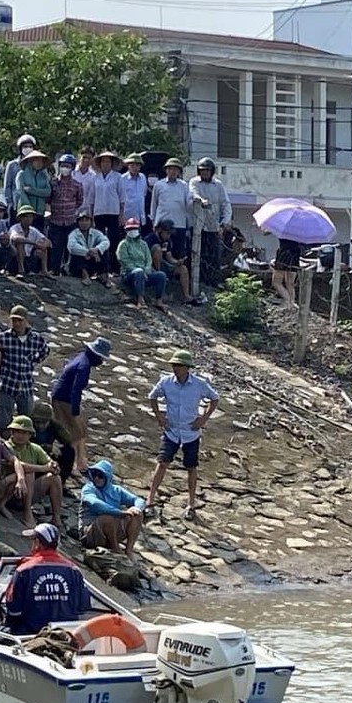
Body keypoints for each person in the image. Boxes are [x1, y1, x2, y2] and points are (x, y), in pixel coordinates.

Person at [145, 350, 220, 519]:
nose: (175, 368)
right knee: (162, 462)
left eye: (178, 365)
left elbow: (215, 398)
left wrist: (204, 418)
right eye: (174, 365)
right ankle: (149, 500)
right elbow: (152, 396)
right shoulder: (165, 382)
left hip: (190, 432)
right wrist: (159, 416)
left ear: (187, 367)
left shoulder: (199, 384)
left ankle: (191, 505)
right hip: (171, 430)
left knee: (191, 467)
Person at [2, 523, 89, 635]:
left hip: (30, 637)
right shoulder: (74, 570)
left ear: (37, 543)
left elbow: (13, 610)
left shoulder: (24, 570)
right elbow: (83, 606)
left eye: (33, 541)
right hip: (66, 638)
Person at [50, 337, 111, 474]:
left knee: (82, 430)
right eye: (101, 358)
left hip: (68, 399)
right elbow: (75, 390)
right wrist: (75, 411)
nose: (101, 361)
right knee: (73, 434)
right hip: (63, 399)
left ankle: (80, 461)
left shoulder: (83, 359)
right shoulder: (83, 366)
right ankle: (67, 463)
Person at [0, 305, 49, 429]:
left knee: (26, 421)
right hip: (8, 384)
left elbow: (45, 351)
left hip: (26, 385)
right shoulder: (4, 338)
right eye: (14, 320)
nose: (17, 323)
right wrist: (1, 369)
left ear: (26, 320)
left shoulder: (36, 338)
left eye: (20, 320)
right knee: (4, 421)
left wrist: (33, 361)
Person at [4, 415, 63, 526]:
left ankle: (56, 517)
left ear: (30, 435)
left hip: (28, 492)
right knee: (29, 474)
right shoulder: (6, 447)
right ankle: (27, 513)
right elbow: (19, 465)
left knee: (54, 478)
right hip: (9, 492)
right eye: (18, 431)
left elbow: (49, 462)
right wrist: (44, 468)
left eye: (24, 433)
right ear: (12, 432)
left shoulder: (34, 448)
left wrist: (54, 466)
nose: (20, 436)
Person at [80, 459, 145, 560]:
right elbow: (95, 504)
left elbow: (138, 500)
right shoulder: (88, 489)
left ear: (107, 477)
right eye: (94, 474)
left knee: (137, 515)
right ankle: (115, 548)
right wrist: (119, 512)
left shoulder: (116, 490)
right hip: (90, 533)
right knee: (107, 517)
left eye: (100, 475)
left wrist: (136, 508)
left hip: (112, 531)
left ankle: (129, 550)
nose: (96, 478)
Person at [189, 158, 231, 292]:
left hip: (214, 226)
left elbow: (225, 204)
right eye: (202, 171)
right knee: (198, 254)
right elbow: (193, 193)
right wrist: (201, 200)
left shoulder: (218, 185)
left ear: (212, 172)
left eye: (207, 171)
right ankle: (199, 281)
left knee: (215, 255)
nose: (205, 173)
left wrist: (224, 222)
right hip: (198, 226)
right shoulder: (194, 182)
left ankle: (214, 282)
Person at [118, 218, 167, 308]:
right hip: (129, 274)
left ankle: (158, 300)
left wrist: (146, 270)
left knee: (161, 275)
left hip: (145, 273)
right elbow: (124, 261)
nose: (132, 231)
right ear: (126, 230)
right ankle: (140, 299)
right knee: (138, 272)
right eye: (130, 229)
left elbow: (148, 260)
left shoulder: (143, 244)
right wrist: (139, 270)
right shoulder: (123, 244)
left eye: (134, 229)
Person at [48, 154, 83, 275]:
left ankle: (67, 269)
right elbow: (48, 199)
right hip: (55, 220)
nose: (65, 168)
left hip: (70, 221)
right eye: (63, 166)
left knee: (70, 247)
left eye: (68, 166)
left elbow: (79, 201)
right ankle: (54, 269)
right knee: (56, 246)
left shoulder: (77, 185)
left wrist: (70, 209)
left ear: (72, 168)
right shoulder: (53, 183)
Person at [149, 158, 191, 257]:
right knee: (162, 252)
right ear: (166, 170)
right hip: (162, 225)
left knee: (178, 253)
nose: (172, 171)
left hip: (179, 224)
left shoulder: (184, 185)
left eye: (175, 169)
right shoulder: (159, 185)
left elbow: (188, 205)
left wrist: (188, 226)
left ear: (179, 171)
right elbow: (154, 204)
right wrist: (154, 222)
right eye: (170, 169)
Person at [87, 151, 124, 260]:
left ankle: (113, 266)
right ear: (100, 163)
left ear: (112, 164)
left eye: (108, 161)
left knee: (113, 239)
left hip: (113, 212)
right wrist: (91, 215)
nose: (105, 164)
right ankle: (101, 267)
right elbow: (91, 199)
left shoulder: (118, 177)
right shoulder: (95, 178)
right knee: (99, 240)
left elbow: (122, 197)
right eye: (103, 161)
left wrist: (121, 215)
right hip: (99, 212)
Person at [147, 219, 193, 304]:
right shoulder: (150, 239)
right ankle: (160, 281)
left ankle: (186, 296)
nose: (169, 236)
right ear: (160, 230)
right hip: (151, 266)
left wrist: (177, 262)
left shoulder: (168, 241)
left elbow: (169, 257)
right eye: (167, 233)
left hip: (164, 264)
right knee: (157, 249)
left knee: (183, 269)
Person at [30, 401, 76, 483]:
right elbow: (27, 445)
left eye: (44, 422)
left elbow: (68, 440)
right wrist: (48, 447)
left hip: (48, 456)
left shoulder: (54, 426)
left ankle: (61, 482)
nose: (40, 425)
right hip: (32, 456)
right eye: (38, 422)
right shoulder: (29, 426)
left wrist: (58, 427)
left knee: (69, 451)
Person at [67, 209, 110, 283]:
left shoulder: (95, 233)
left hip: (92, 263)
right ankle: (84, 274)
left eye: (86, 220)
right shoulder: (74, 234)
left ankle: (102, 274)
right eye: (82, 221)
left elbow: (106, 241)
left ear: (90, 222)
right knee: (77, 254)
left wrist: (97, 249)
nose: (84, 223)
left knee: (104, 250)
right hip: (77, 267)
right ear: (78, 222)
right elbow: (72, 247)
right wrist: (88, 252)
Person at [8, 206, 49, 277]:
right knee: (20, 243)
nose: (28, 219)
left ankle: (44, 270)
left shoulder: (33, 230)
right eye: (25, 217)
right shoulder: (15, 228)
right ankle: (21, 271)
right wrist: (33, 243)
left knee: (42, 249)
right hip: (14, 260)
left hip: (28, 258)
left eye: (31, 217)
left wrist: (42, 243)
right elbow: (15, 238)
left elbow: (48, 242)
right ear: (20, 218)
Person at [14, 150, 52, 225]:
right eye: (36, 160)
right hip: (25, 213)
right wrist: (29, 209)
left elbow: (48, 192)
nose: (39, 163)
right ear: (30, 161)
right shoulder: (21, 174)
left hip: (40, 212)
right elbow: (20, 192)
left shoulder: (43, 176)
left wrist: (31, 190)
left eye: (41, 161)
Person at [1, 133, 36, 213]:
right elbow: (7, 186)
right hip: (16, 205)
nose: (28, 149)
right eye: (25, 147)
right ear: (20, 149)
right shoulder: (12, 165)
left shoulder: (36, 165)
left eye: (30, 147)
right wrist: (10, 204)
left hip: (33, 205)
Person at [119, 154, 148, 230]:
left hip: (140, 216)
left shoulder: (143, 177)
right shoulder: (122, 179)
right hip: (127, 216)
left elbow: (143, 194)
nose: (135, 168)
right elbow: (119, 198)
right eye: (132, 165)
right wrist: (121, 216)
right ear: (128, 166)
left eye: (137, 165)